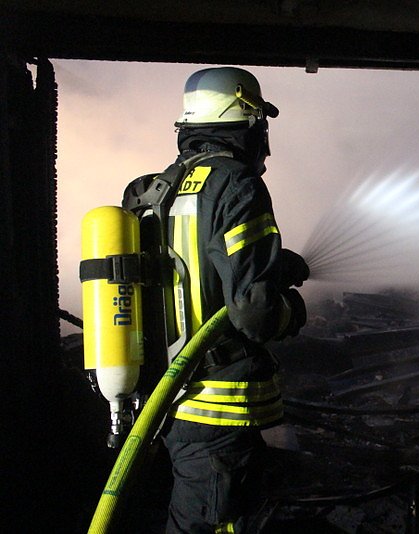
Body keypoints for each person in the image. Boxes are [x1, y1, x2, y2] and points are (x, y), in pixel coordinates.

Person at [124, 66, 308, 533]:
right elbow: (255, 313)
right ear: (248, 120)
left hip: (165, 399)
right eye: (260, 125)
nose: (265, 144)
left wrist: (271, 264)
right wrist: (291, 311)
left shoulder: (156, 189)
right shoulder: (236, 184)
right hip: (215, 404)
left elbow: (193, 268)